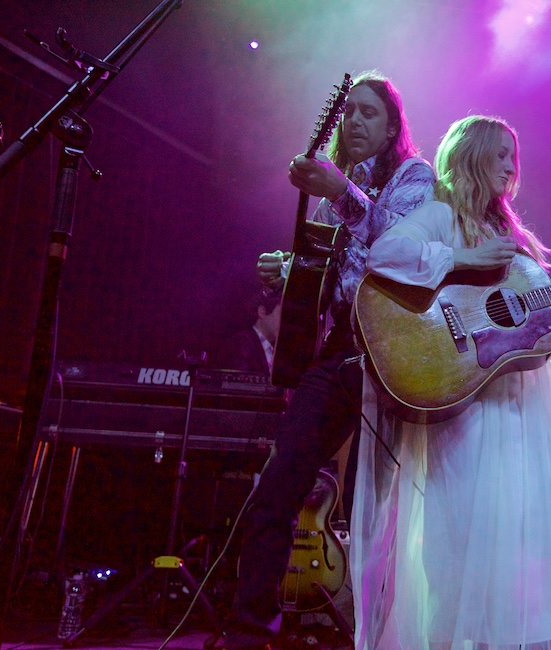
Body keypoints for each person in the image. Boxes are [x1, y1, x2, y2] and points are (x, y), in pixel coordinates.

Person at [352, 115, 551, 649]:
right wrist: (463, 258)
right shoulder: (438, 216)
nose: (511, 165)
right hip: (465, 407)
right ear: (472, 154)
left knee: (536, 552)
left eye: (514, 156)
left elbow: (535, 338)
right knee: (463, 548)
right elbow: (384, 254)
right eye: (500, 153)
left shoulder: (514, 237)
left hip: (526, 413)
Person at [226, 71, 435, 649]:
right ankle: (250, 630)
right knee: (279, 481)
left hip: (393, 351)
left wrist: (343, 192)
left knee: (382, 502)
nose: (354, 121)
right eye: (348, 113)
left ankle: (381, 631)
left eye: (369, 113)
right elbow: (331, 281)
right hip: (340, 348)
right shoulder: (334, 190)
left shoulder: (413, 176)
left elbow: (403, 250)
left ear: (393, 126)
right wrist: (292, 271)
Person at [213, 285, 283, 374]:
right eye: (282, 314)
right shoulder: (239, 345)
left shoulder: (276, 350)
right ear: (262, 312)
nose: (286, 321)